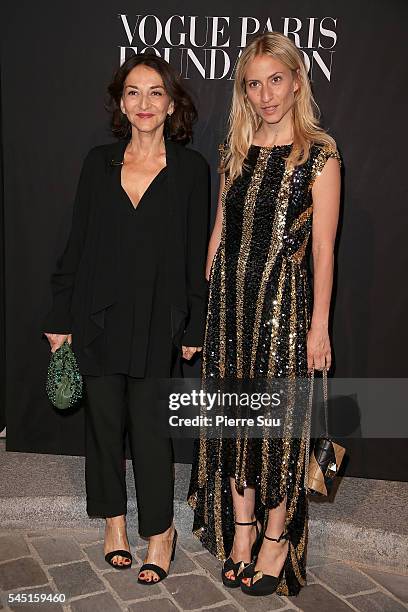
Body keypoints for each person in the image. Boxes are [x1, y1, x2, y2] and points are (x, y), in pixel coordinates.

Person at [43, 53, 209, 584]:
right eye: (133, 92)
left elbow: (193, 258)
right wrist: (59, 316)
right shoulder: (98, 163)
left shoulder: (192, 171)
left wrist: (195, 325)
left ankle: (160, 532)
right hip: (97, 318)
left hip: (159, 321)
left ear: (170, 102)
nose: (144, 103)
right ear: (121, 102)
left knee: (152, 431)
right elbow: (78, 245)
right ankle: (114, 524)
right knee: (105, 427)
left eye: (155, 92)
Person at [188, 32, 341, 597]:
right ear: (244, 92)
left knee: (275, 427)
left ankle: (277, 539)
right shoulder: (238, 147)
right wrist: (203, 303)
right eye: (254, 83)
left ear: (296, 81)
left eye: (275, 79)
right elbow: (222, 230)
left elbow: (324, 249)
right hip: (230, 306)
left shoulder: (319, 153)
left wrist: (319, 325)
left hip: (282, 306)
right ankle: (243, 532)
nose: (265, 94)